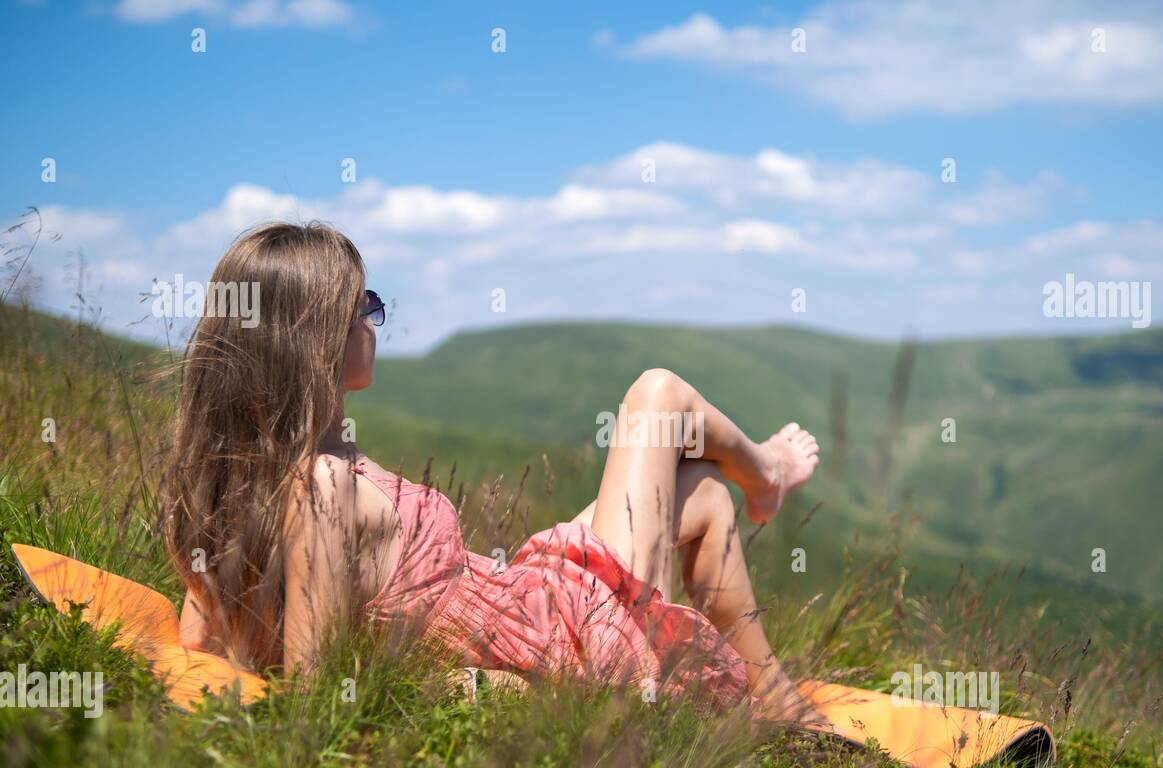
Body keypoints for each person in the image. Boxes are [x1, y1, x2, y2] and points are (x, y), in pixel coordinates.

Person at [161, 221, 840, 733]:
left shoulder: (234, 485)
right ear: (316, 335)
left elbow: (207, 637)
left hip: (518, 600)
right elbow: (320, 700)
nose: (375, 318)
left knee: (699, 491)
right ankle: (769, 482)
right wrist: (463, 690)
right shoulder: (322, 491)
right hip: (557, 641)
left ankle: (778, 693)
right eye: (363, 302)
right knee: (659, 397)